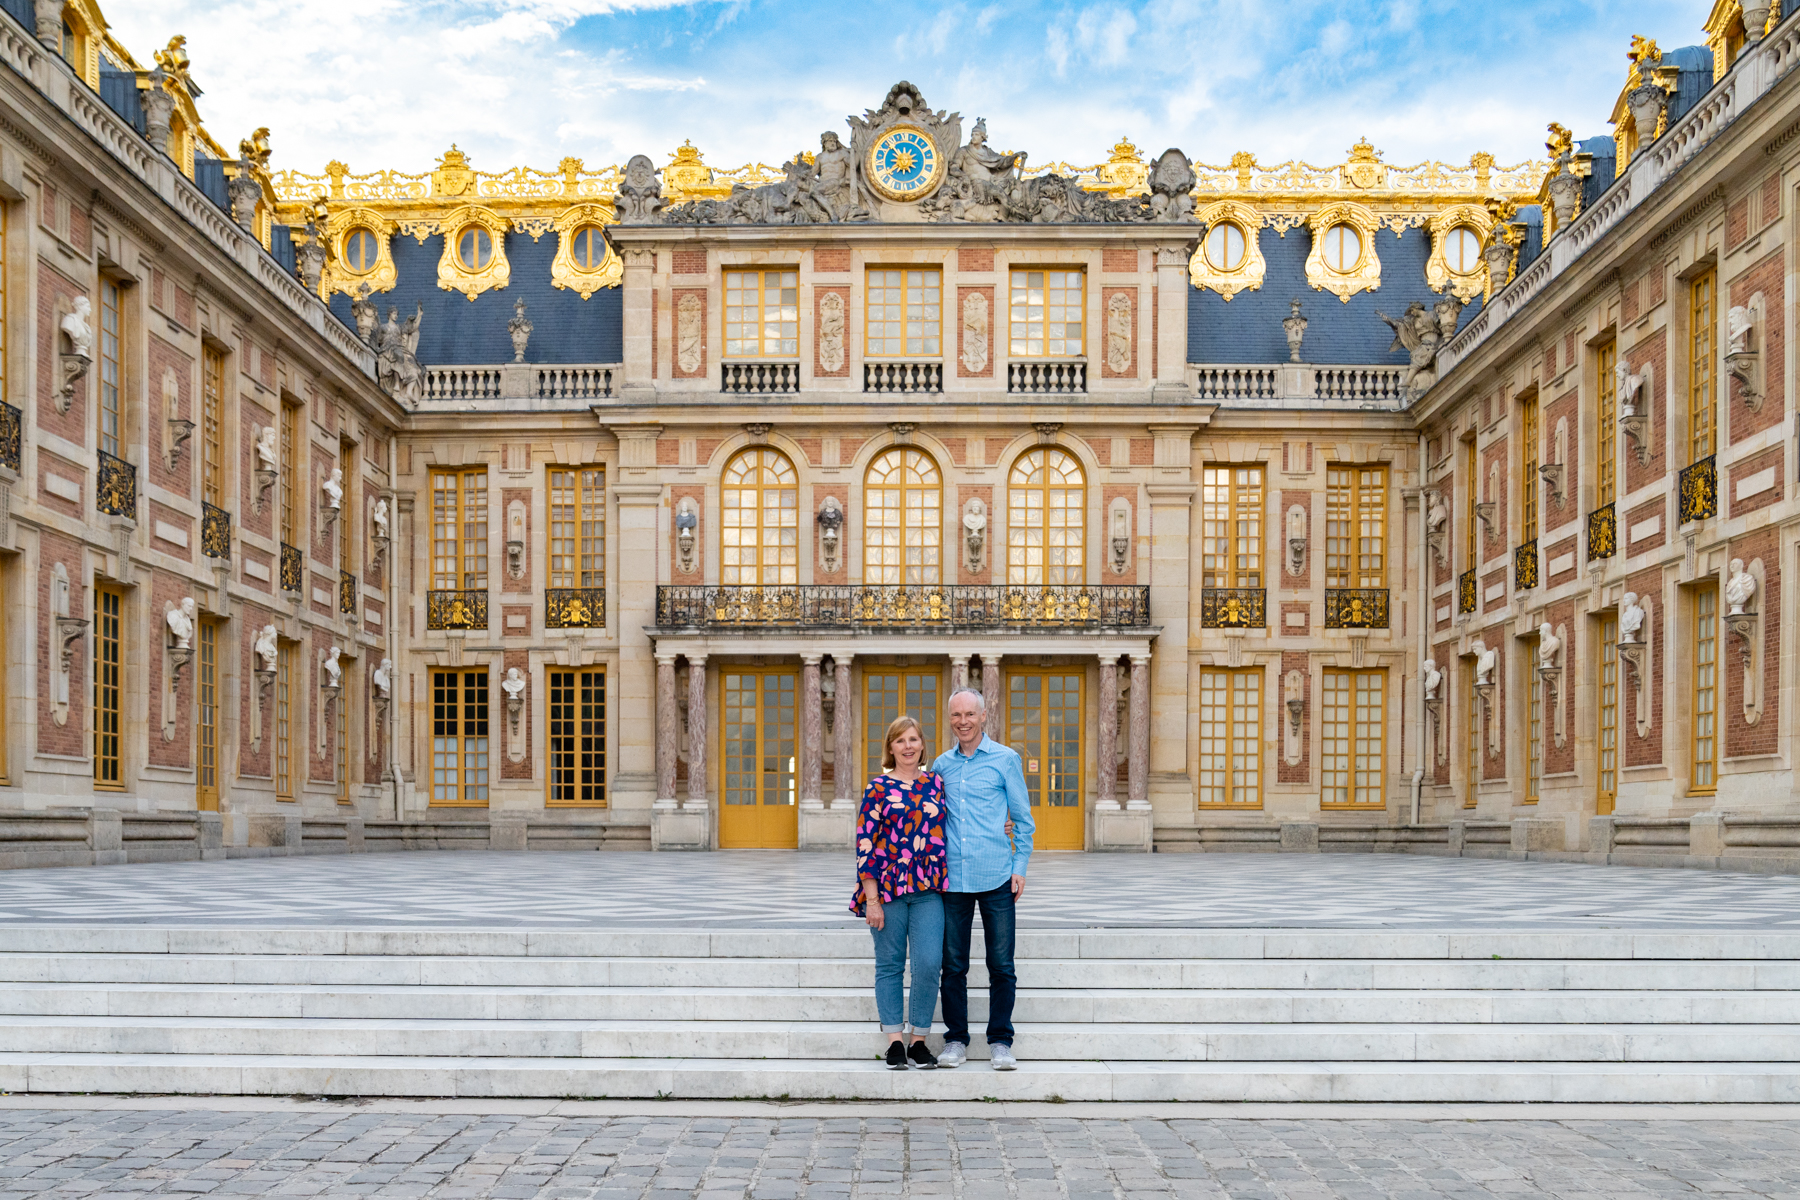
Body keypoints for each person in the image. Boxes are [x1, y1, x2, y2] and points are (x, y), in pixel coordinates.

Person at [933, 687, 1033, 1070]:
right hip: (953, 881)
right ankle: (956, 1040)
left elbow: (1023, 820)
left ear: (983, 715)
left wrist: (1019, 867)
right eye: (956, 715)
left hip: (996, 877)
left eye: (970, 714)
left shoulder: (1006, 760)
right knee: (953, 966)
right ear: (950, 718)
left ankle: (1000, 1041)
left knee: (1001, 965)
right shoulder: (941, 765)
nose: (963, 722)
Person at [852, 715, 948, 1071]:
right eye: (900, 740)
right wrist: (872, 900)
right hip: (888, 891)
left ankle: (918, 1041)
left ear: (922, 745)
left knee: (928, 964)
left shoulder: (936, 784)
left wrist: (1003, 822)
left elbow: (962, 819)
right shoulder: (877, 788)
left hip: (928, 890)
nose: (908, 746)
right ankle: (894, 1041)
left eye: (913, 739)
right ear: (890, 748)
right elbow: (865, 844)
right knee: (890, 965)